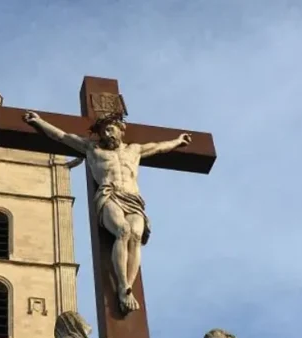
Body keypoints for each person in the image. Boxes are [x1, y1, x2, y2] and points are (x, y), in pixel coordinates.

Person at [23, 110, 191, 313]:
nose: (108, 133)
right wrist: (39, 122)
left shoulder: (134, 150)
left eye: (111, 129)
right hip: (109, 195)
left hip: (133, 199)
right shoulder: (92, 149)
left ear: (121, 131)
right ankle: (122, 285)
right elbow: (62, 136)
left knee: (136, 235)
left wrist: (178, 141)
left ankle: (129, 285)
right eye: (104, 131)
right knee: (123, 230)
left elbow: (158, 148)